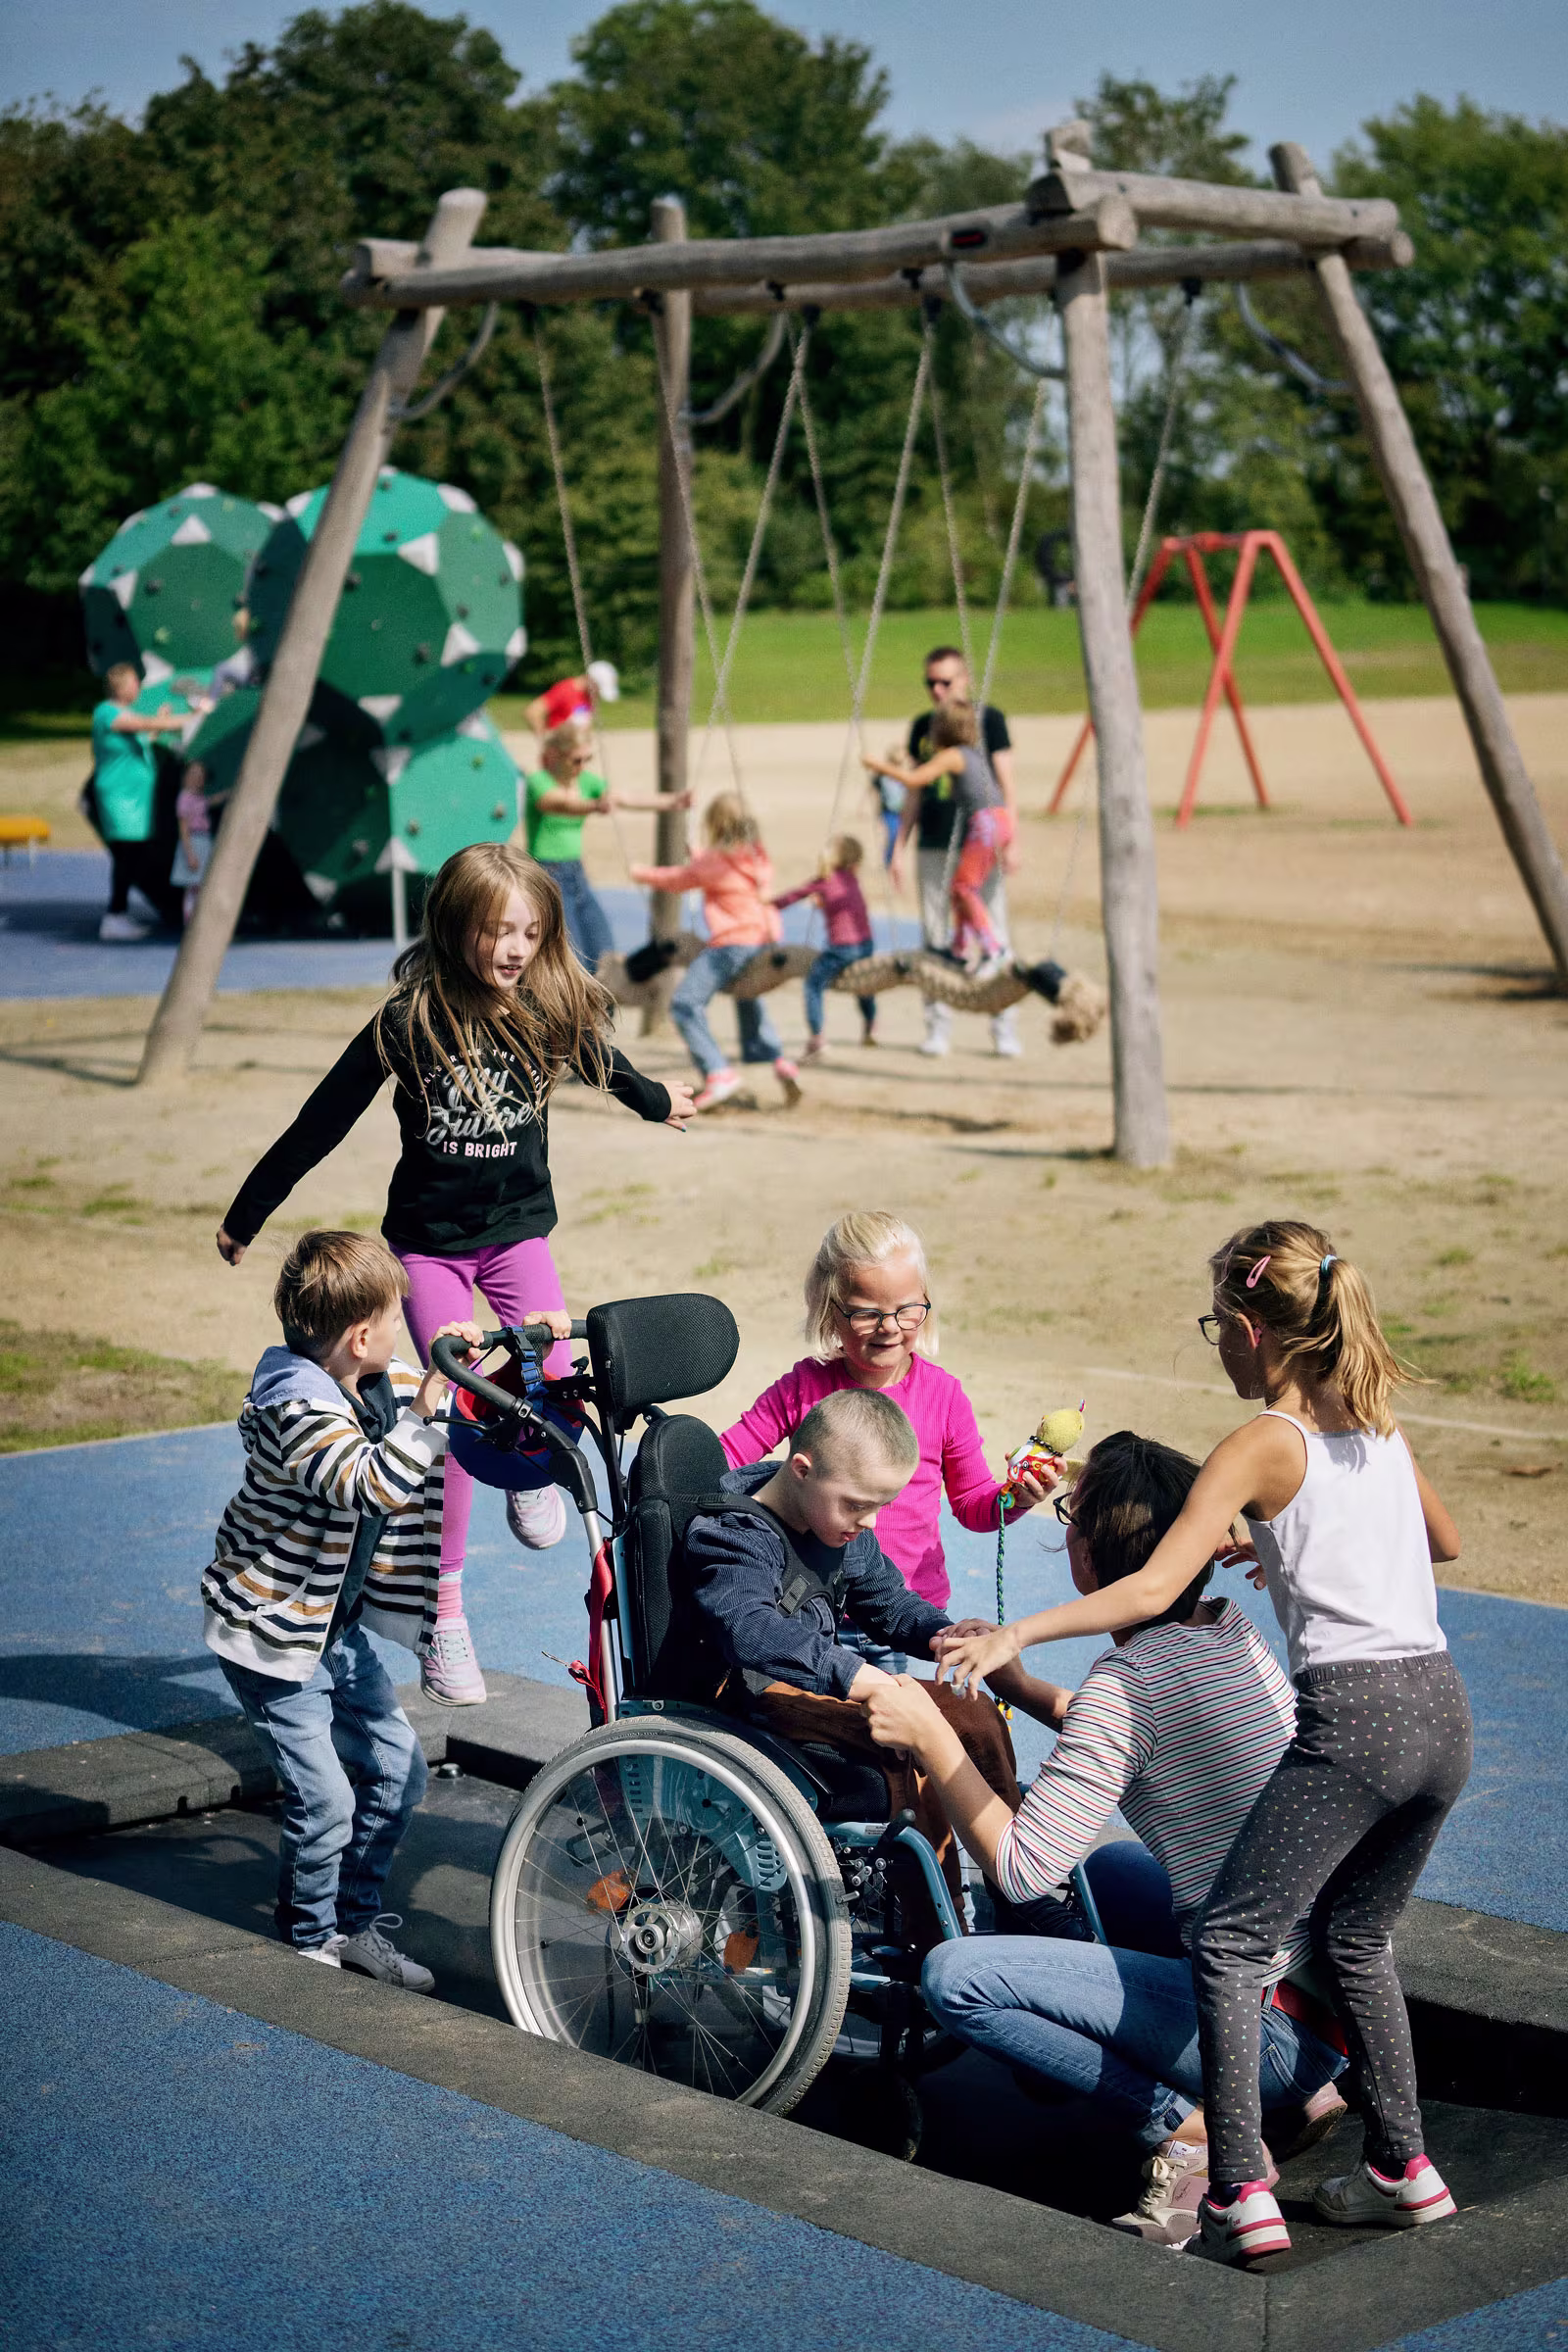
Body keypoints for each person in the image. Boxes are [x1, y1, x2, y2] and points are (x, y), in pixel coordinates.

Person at [937, 1221, 1470, 2267]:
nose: (1213, 1347)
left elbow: (1142, 1589)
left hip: (1356, 1718)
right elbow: (1440, 1542)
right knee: (1356, 1941)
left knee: (1226, 1942)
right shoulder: (1374, 1424)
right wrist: (1275, 1534)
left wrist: (1017, 1633)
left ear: (1246, 1328)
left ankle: (1232, 2185)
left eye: (1212, 1328)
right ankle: (1407, 2170)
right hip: (1440, 1713)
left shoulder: (1260, 1442)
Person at [215, 842, 695, 1708]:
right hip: (430, 1247)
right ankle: (445, 1613)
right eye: (495, 931)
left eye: (529, 931)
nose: (513, 948)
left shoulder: (547, 1007)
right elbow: (321, 1117)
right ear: (454, 928)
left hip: (515, 1237)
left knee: (553, 1371)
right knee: (460, 1405)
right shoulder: (409, 1021)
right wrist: (248, 1212)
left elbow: (607, 1067)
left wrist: (661, 1102)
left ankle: (533, 1478)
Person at [865, 1430, 1348, 2250]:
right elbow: (1141, 1738)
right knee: (1119, 1867)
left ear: (1089, 1559)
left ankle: (1186, 2124)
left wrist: (930, 1737)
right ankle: (1306, 2092)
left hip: (1254, 2032)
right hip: (1322, 2004)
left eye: (1069, 1526)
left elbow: (1021, 1870)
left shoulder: (1122, 1689)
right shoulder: (1231, 1633)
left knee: (957, 1978)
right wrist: (1019, 1685)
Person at [201, 1227, 513, 1984]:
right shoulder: (295, 1412)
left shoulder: (363, 1378)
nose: (406, 1331)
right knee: (327, 1799)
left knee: (398, 1771)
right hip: (270, 1636)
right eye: (398, 1318)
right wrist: (429, 1408)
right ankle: (310, 1943)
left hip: (329, 1628)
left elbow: (426, 1391)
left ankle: (355, 1923)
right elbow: (366, 1482)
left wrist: (468, 1361)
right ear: (361, 1334)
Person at [686, 1386, 1045, 1905]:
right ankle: (937, 1929)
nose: (871, 1522)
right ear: (803, 1469)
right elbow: (752, 1630)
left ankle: (1017, 1885)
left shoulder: (836, 1527)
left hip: (811, 1689)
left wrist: (942, 1636)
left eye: (881, 1506)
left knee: (973, 1710)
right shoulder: (733, 1534)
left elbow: (890, 1604)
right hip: (751, 1701)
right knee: (907, 1744)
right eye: (858, 1505)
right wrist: (859, 1677)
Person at [720, 1211, 1056, 1669]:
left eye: (907, 1309)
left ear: (926, 1302)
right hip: (808, 1606)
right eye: (867, 1313)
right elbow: (725, 1459)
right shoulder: (803, 1387)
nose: (890, 1327)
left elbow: (973, 1504)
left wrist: (1014, 1498)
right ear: (829, 1309)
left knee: (892, 1733)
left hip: (904, 1615)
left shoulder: (944, 1397)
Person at [630, 791, 802, 1115]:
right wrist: (699, 856)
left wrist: (640, 873)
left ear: (715, 825)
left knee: (684, 1004)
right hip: (765, 940)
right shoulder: (757, 855)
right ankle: (777, 1059)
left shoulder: (711, 862)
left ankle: (717, 1071)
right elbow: (721, 868)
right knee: (746, 992)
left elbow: (678, 880)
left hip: (733, 943)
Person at [897, 646, 1021, 1058]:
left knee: (992, 925)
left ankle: (1003, 1026)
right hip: (933, 840)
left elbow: (1006, 784)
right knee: (936, 933)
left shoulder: (989, 720)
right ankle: (938, 1027)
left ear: (964, 679)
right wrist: (898, 847)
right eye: (930, 682)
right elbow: (914, 789)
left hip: (981, 841)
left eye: (945, 681)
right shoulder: (922, 726)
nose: (936, 689)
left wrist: (1013, 839)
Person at [521, 719, 691, 971]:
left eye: (586, 760)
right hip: (546, 874)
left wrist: (671, 802)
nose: (582, 766)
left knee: (604, 956)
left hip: (575, 873)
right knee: (571, 958)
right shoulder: (539, 782)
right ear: (555, 756)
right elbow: (558, 804)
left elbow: (624, 798)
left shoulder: (586, 782)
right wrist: (595, 806)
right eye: (576, 760)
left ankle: (602, 1009)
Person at [865, 701, 1010, 976]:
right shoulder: (971, 753)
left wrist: (878, 765)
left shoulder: (954, 754)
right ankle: (959, 946)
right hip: (997, 820)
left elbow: (913, 780)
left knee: (964, 888)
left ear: (942, 730)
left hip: (986, 822)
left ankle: (994, 949)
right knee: (962, 888)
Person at [91, 662, 188, 940]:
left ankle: (118, 913)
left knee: (132, 855)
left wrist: (160, 721)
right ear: (121, 686)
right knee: (126, 855)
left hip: (136, 800)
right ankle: (114, 916)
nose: (139, 687)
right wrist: (188, 718)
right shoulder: (106, 713)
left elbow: (145, 736)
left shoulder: (126, 716)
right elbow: (142, 725)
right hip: (119, 797)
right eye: (134, 682)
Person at [772, 833, 878, 1054]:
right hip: (866, 943)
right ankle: (870, 1026)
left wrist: (769, 906)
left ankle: (817, 1037)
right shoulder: (852, 879)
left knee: (813, 985)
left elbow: (792, 897)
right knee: (864, 984)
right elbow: (846, 906)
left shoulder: (824, 881)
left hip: (842, 948)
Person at [524, 660, 619, 741]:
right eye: (598, 689)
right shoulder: (565, 690)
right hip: (560, 749)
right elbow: (533, 711)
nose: (598, 695)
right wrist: (545, 740)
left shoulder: (589, 696)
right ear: (591, 681)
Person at [171, 760, 215, 924]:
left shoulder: (199, 797)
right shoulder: (184, 798)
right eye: (193, 775)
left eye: (200, 776)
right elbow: (183, 829)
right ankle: (190, 920)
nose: (197, 779)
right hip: (194, 841)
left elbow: (210, 802)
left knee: (202, 884)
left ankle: (200, 918)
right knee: (193, 886)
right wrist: (190, 854)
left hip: (204, 840)